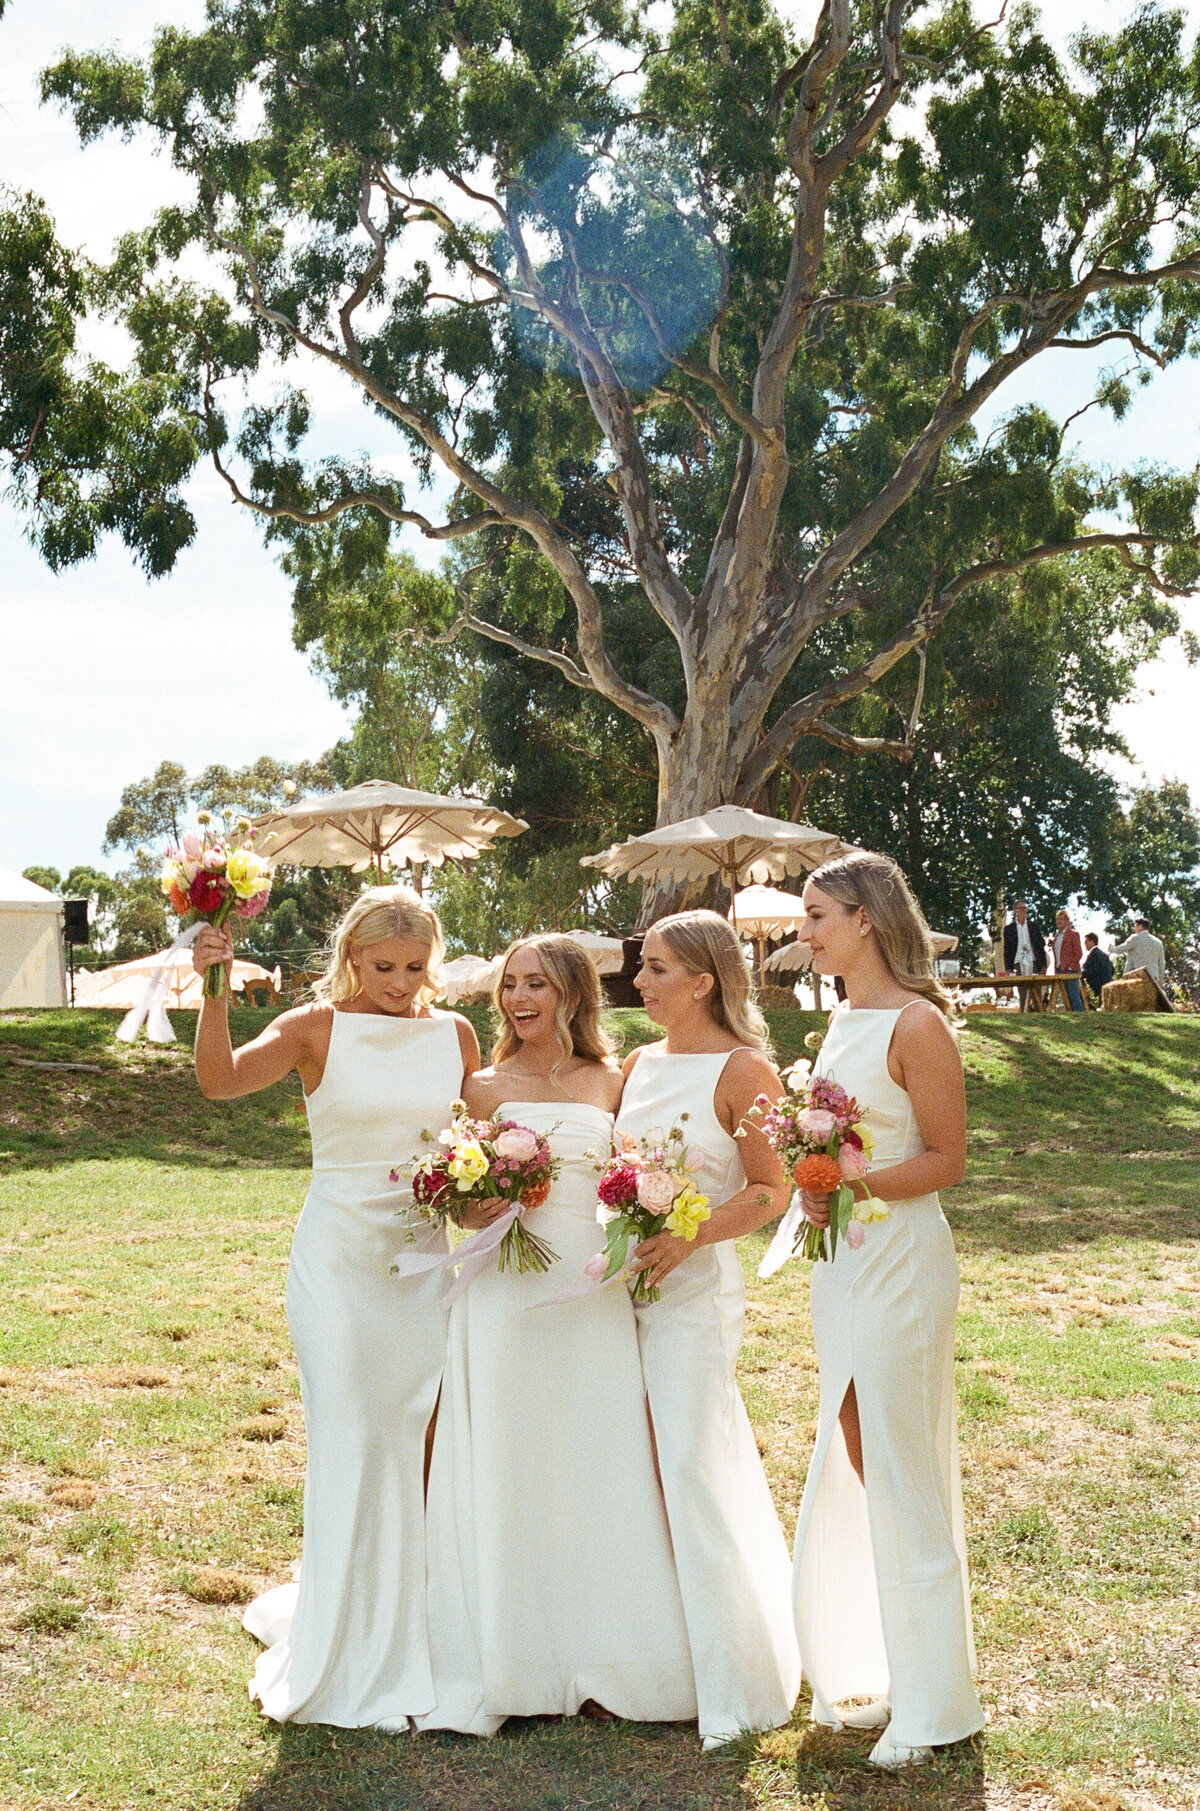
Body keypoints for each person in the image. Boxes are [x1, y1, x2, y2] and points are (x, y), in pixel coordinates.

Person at [193, 886, 479, 1728]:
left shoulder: (454, 1033)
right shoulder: (315, 1026)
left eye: (416, 966)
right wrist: (215, 987)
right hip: (340, 1263)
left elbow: (479, 1134)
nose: (400, 982)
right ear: (353, 955)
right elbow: (217, 1081)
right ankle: (345, 1630)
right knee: (353, 1432)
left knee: (426, 1433)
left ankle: (425, 1622)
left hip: (427, 1256)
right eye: (384, 966)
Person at [418, 935, 697, 1735]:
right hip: (503, 1293)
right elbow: (458, 1208)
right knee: (509, 1456)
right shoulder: (479, 1085)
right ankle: (508, 1656)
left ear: (574, 993)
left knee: (597, 1456)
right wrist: (489, 1191)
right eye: (509, 985)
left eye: (535, 983)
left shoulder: (618, 1081)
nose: (517, 998)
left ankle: (607, 1653)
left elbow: (643, 1175)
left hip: (591, 1293)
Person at [789, 851, 984, 1771]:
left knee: (903, 1465)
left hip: (903, 1261)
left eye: (818, 914)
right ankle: (910, 1672)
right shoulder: (838, 1019)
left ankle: (939, 1702)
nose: (805, 930)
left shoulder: (918, 1022)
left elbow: (945, 1156)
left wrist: (856, 1177)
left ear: (866, 917)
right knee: (867, 1454)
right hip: (845, 1262)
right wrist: (817, 1183)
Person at [616, 911, 801, 1749]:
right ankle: (657, 1657)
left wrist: (690, 1234)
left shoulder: (747, 1070)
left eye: (656, 969)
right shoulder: (637, 1062)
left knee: (693, 1457)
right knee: (639, 1461)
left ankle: (734, 1677)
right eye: (640, 967)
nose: (639, 983)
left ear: (703, 980)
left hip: (696, 1289)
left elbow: (774, 1190)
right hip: (621, 1286)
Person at [1001, 901, 1046, 1011]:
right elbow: (1007, 950)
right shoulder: (1009, 929)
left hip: (1034, 962)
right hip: (1018, 963)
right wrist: (1007, 968)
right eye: (1020, 908)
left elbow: (1040, 946)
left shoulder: (1033, 927)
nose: (1022, 910)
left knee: (1036, 992)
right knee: (1023, 992)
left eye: (1024, 908)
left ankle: (1040, 1015)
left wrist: (1043, 965)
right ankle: (1024, 1014)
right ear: (1015, 910)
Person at [1112, 917, 1167, 991]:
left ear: (1141, 926)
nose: (1134, 929)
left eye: (1135, 926)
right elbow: (1162, 963)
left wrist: (1111, 948)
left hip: (1137, 978)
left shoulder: (1135, 938)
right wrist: (1161, 980)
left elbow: (1119, 950)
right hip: (1154, 978)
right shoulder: (1158, 942)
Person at [1050, 909, 1084, 1012]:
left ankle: (1080, 1017)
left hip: (1070, 970)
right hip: (1059, 969)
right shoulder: (1056, 936)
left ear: (1067, 921)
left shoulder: (1073, 934)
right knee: (1066, 998)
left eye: (1061, 919)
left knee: (1073, 996)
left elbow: (1078, 953)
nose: (1059, 921)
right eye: (1057, 919)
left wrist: (1070, 967)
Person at [1082, 932, 1114, 1005]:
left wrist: (1079, 974)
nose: (1084, 944)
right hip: (1108, 984)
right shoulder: (1104, 955)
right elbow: (1112, 970)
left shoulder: (1093, 955)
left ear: (1092, 942)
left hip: (1097, 987)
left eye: (1086, 941)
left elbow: (1090, 971)